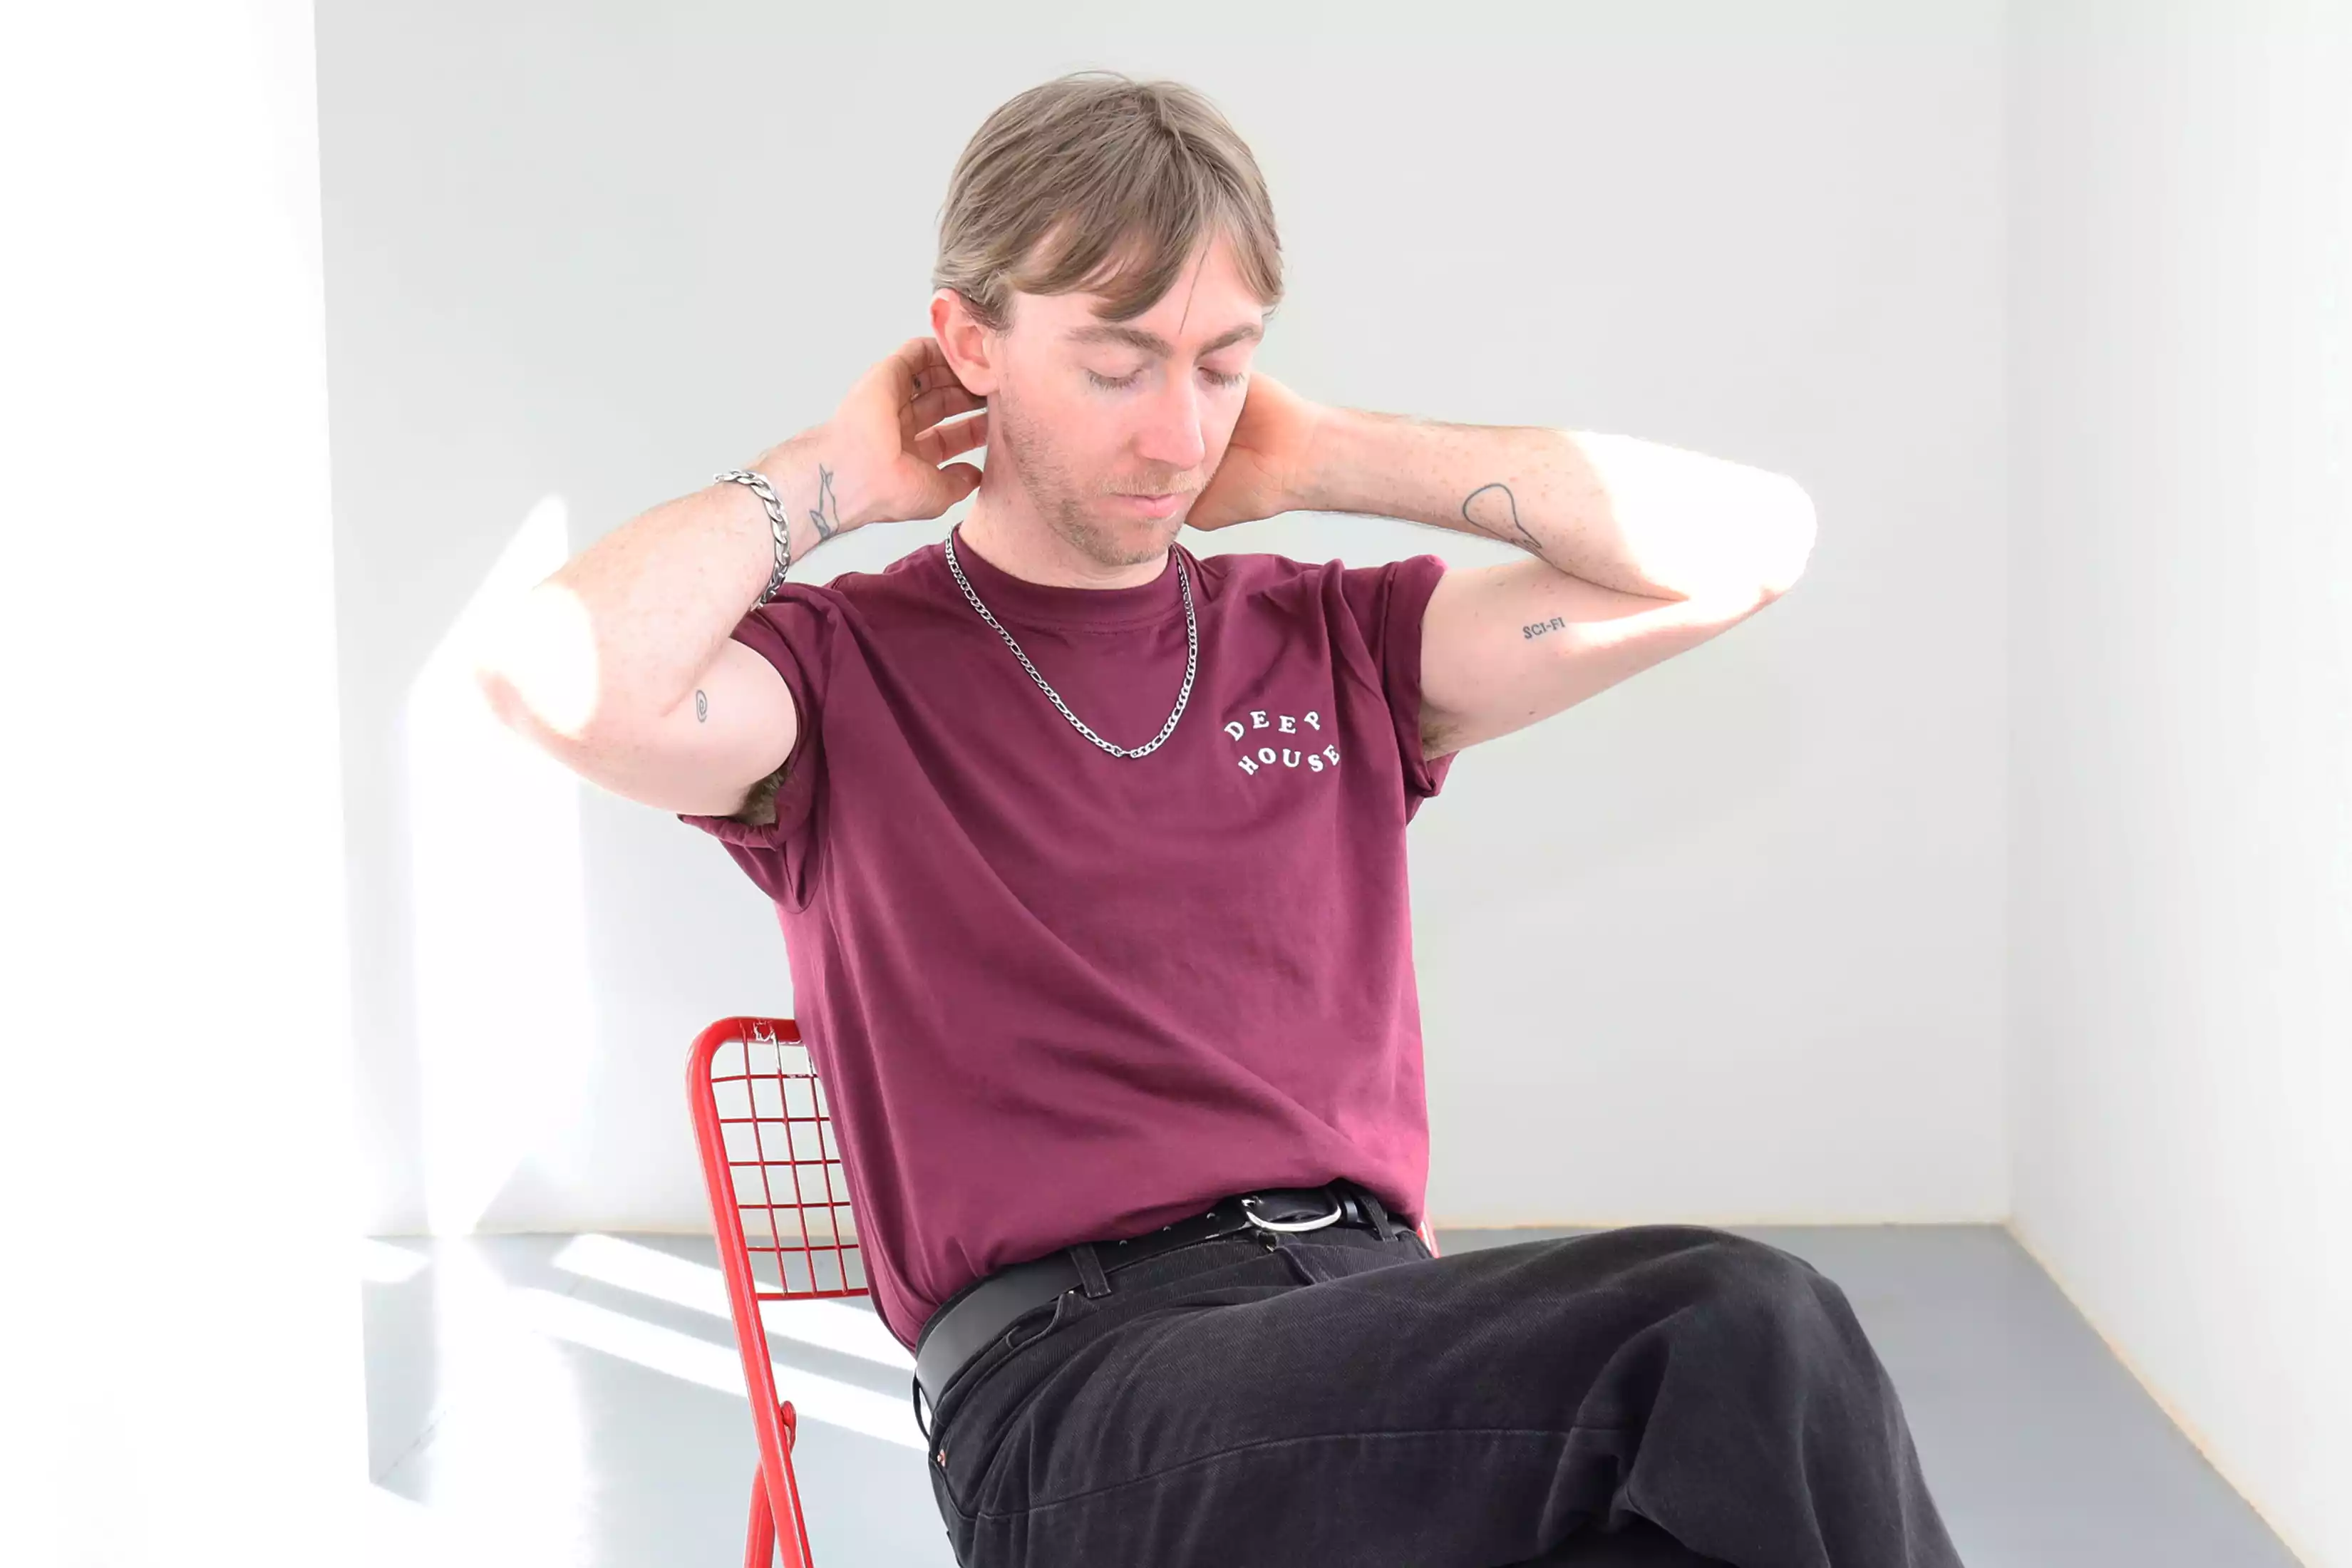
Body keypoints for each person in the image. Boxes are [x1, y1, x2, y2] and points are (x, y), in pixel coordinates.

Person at [476, 68, 1961, 1568]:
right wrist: (835, 475)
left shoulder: (1333, 643)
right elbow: (552, 680)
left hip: (1379, 1341)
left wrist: (1329, 457)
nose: (1179, 435)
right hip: (1082, 1401)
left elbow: (1756, 543)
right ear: (972, 344)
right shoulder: (844, 678)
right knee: (1737, 1331)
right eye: (1118, 365)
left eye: (1222, 364)